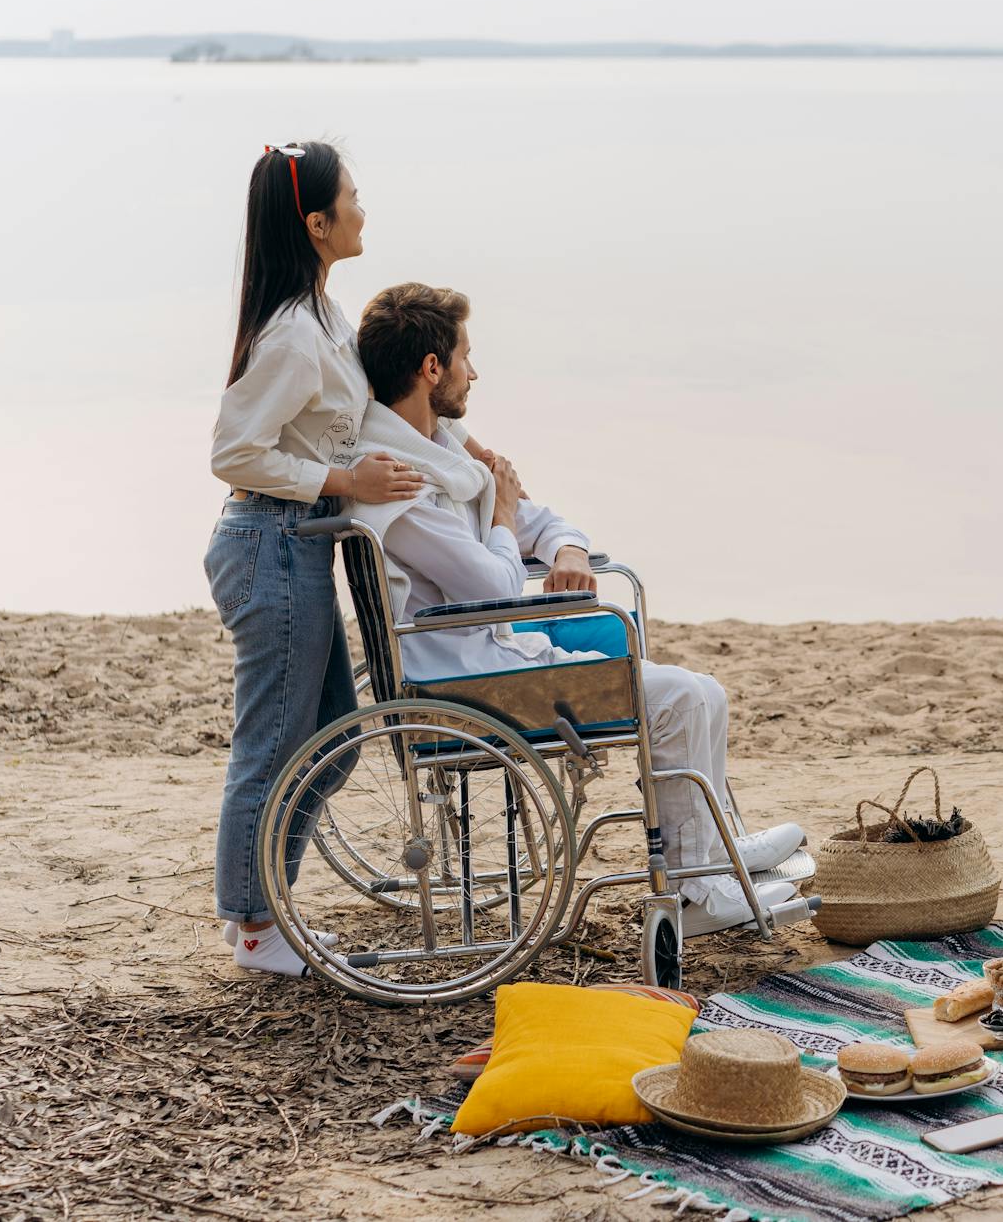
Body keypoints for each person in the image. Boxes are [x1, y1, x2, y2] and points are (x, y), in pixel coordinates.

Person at [349, 282, 805, 935]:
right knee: (681, 697)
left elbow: (543, 521)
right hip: (468, 682)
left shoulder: (444, 453)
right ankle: (699, 889)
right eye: (466, 356)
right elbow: (492, 585)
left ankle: (711, 859)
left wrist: (568, 549)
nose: (473, 372)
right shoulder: (401, 482)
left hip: (496, 657)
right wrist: (504, 514)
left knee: (704, 691)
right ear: (431, 368)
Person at [205, 141, 429, 976]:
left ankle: (267, 908)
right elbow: (233, 450)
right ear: (316, 222)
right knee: (270, 746)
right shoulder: (295, 336)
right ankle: (256, 925)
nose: (364, 211)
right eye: (354, 199)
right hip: (268, 541)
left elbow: (371, 414)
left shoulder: (327, 316)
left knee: (331, 742)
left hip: (300, 546)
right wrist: (340, 476)